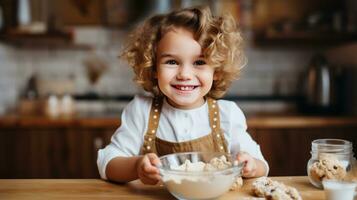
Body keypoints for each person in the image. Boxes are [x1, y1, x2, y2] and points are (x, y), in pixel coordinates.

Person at [97, 6, 269, 185]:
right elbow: (107, 162)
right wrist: (137, 167)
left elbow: (262, 165)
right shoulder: (141, 111)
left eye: (199, 62)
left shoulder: (228, 114)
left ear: (216, 70)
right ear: (154, 67)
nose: (185, 74)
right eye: (172, 62)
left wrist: (251, 166)